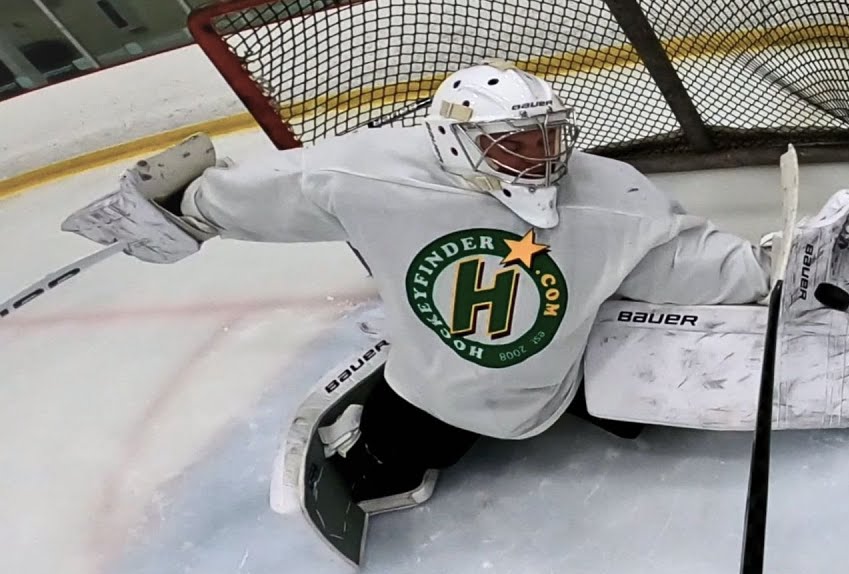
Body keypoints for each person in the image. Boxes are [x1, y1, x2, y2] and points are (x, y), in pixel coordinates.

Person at [62, 60, 782, 517]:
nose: (541, 158)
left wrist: (780, 268)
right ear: (456, 140)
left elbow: (685, 256)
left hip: (560, 378)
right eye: (516, 143)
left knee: (645, 402)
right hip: (433, 390)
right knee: (383, 473)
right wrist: (186, 208)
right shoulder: (376, 175)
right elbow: (277, 188)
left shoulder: (610, 195)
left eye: (548, 138)